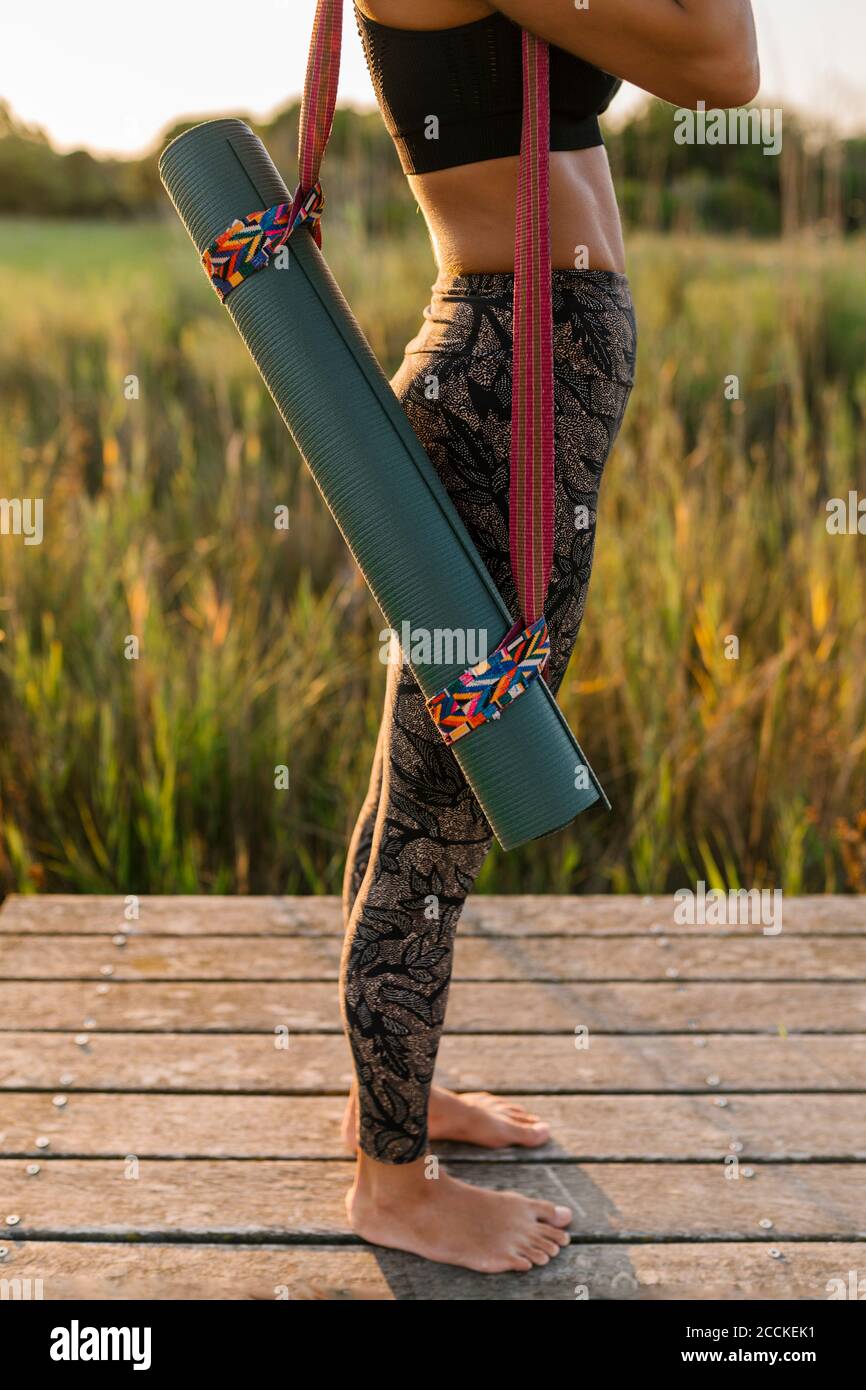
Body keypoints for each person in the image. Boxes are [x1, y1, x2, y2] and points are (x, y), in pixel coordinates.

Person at [340, 0, 759, 1274]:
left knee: (422, 776)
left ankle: (387, 1109)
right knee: (446, 795)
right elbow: (719, 62)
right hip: (502, 386)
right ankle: (389, 1184)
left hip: (527, 375)